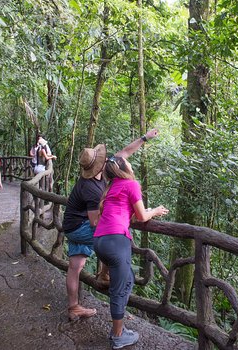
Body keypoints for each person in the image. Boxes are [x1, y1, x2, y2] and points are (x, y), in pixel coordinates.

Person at [62, 129, 158, 321]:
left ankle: (73, 307)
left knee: (75, 266)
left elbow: (125, 153)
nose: (107, 161)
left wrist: (144, 138)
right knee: (114, 238)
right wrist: (124, 217)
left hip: (70, 225)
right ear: (97, 167)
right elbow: (95, 222)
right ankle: (112, 292)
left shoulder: (104, 172)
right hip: (79, 227)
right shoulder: (90, 188)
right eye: (103, 161)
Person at [93, 155, 168, 349]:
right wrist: (156, 211)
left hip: (100, 240)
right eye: (127, 161)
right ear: (123, 168)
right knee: (119, 290)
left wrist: (142, 213)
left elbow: (126, 213)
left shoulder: (111, 187)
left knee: (128, 280)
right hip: (116, 241)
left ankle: (119, 329)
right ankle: (118, 336)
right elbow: (142, 216)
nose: (130, 162)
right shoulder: (131, 183)